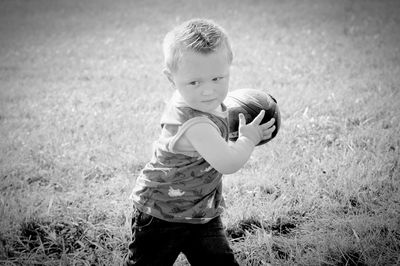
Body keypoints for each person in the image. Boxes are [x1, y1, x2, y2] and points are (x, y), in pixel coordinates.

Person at [124, 18, 276, 266]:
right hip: (161, 215)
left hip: (201, 214)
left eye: (217, 78)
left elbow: (215, 110)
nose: (208, 91)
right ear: (171, 79)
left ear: (229, 67)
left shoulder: (199, 100)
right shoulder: (196, 124)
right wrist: (248, 138)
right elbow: (227, 163)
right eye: (195, 82)